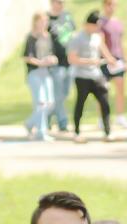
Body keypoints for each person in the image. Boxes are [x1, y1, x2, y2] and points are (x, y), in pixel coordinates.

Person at [68, 11, 119, 144]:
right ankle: (77, 132)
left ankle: (108, 132)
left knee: (104, 101)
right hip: (82, 76)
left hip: (96, 75)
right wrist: (90, 61)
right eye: (95, 25)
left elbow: (103, 50)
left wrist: (111, 59)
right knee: (80, 103)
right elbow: (72, 58)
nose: (97, 28)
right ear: (88, 25)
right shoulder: (77, 38)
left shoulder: (97, 37)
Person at [98, 0, 127, 131]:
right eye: (109, 4)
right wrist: (108, 58)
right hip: (104, 60)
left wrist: (125, 60)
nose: (111, 7)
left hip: (118, 59)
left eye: (113, 4)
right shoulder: (100, 22)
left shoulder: (118, 23)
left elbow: (121, 42)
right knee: (103, 91)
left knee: (120, 87)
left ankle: (120, 116)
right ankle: (102, 118)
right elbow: (100, 43)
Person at [24, 12, 58, 142]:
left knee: (50, 103)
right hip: (35, 73)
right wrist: (40, 62)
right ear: (36, 21)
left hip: (46, 73)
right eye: (42, 20)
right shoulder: (31, 37)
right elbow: (27, 57)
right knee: (41, 103)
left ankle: (29, 123)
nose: (45, 23)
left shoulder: (48, 37)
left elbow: (51, 53)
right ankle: (41, 131)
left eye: (46, 21)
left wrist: (52, 59)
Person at [48, 0, 76, 135]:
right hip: (56, 63)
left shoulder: (68, 17)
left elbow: (73, 35)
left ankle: (46, 117)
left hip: (69, 62)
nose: (58, 4)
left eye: (61, 2)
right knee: (58, 95)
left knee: (65, 93)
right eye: (56, 2)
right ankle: (62, 123)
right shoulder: (47, 20)